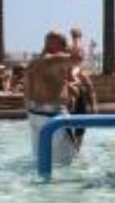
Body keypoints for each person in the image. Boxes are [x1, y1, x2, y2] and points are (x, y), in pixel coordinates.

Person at [25, 30, 82, 165]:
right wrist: (77, 37)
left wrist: (67, 87)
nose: (67, 49)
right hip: (53, 117)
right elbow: (77, 58)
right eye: (65, 45)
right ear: (57, 45)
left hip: (34, 116)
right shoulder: (53, 59)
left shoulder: (33, 64)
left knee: (42, 159)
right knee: (65, 163)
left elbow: (44, 87)